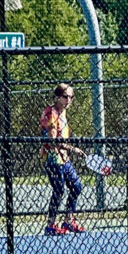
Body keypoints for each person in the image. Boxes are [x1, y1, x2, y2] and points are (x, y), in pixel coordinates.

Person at [40, 83, 86, 235]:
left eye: (71, 97)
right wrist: (73, 149)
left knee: (76, 186)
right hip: (52, 158)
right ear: (57, 97)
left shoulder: (63, 113)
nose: (69, 100)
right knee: (59, 189)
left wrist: (67, 151)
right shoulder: (51, 113)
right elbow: (53, 140)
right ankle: (51, 225)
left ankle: (68, 220)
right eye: (65, 97)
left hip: (63, 158)